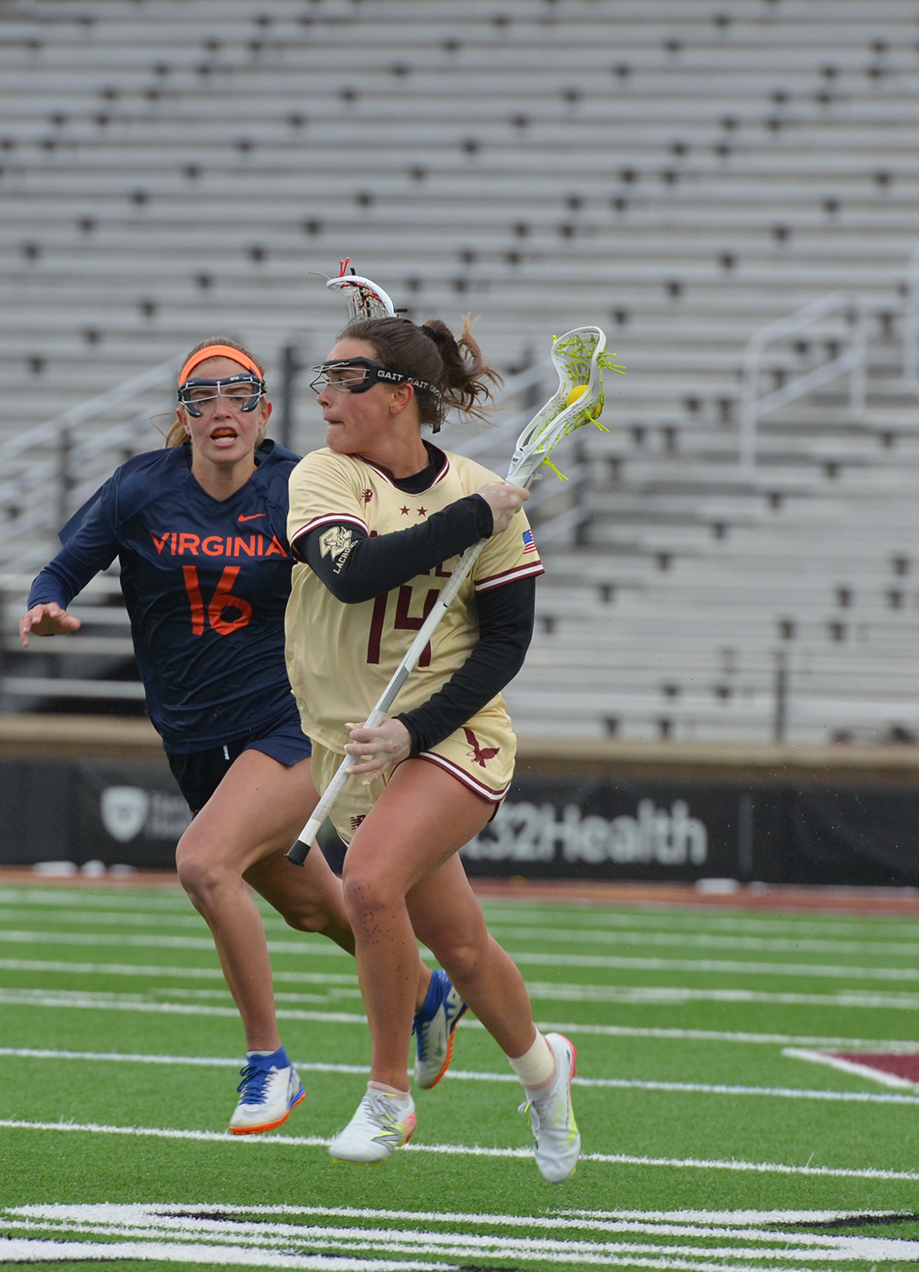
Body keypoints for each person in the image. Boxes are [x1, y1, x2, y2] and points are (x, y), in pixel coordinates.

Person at [22, 339, 468, 1135]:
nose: (221, 409)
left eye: (240, 394)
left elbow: (381, 542)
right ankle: (430, 993)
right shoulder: (139, 489)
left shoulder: (301, 484)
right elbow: (66, 564)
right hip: (193, 734)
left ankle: (270, 1063)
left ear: (264, 411)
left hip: (292, 719)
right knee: (313, 910)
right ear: (183, 415)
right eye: (203, 396)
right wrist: (46, 602)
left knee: (202, 861)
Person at [285, 314, 579, 1181]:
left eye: (347, 379)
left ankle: (388, 1095)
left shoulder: (486, 493)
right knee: (460, 946)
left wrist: (415, 729)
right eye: (325, 378)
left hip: (452, 736)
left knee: (370, 884)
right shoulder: (322, 475)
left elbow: (505, 645)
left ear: (400, 396)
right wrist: (469, 518)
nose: (326, 396)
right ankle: (543, 1071)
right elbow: (354, 571)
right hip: (347, 747)